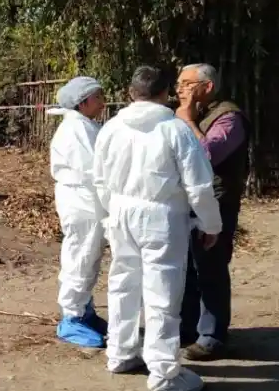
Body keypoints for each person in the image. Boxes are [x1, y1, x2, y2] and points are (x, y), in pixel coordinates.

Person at [93, 65, 222, 391]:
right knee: (163, 293)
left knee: (123, 284)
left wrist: (111, 213)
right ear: (165, 94)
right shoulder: (175, 130)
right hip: (162, 217)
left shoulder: (111, 127)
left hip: (121, 213)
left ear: (130, 93)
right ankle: (164, 373)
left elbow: (98, 179)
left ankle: (120, 352)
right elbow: (199, 185)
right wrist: (211, 223)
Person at [175, 63, 250, 361]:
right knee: (188, 266)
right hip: (187, 201)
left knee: (211, 266)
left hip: (217, 201)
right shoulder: (188, 113)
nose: (179, 89)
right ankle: (188, 327)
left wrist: (188, 122)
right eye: (178, 83)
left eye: (186, 83)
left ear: (207, 87)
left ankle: (213, 335)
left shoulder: (228, 118)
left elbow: (207, 155)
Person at [47, 76, 108, 348]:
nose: (102, 102)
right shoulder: (76, 130)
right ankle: (71, 317)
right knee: (80, 257)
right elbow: (96, 168)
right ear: (82, 102)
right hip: (81, 199)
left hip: (88, 199)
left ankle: (84, 311)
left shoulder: (84, 125)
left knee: (89, 256)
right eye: (97, 97)